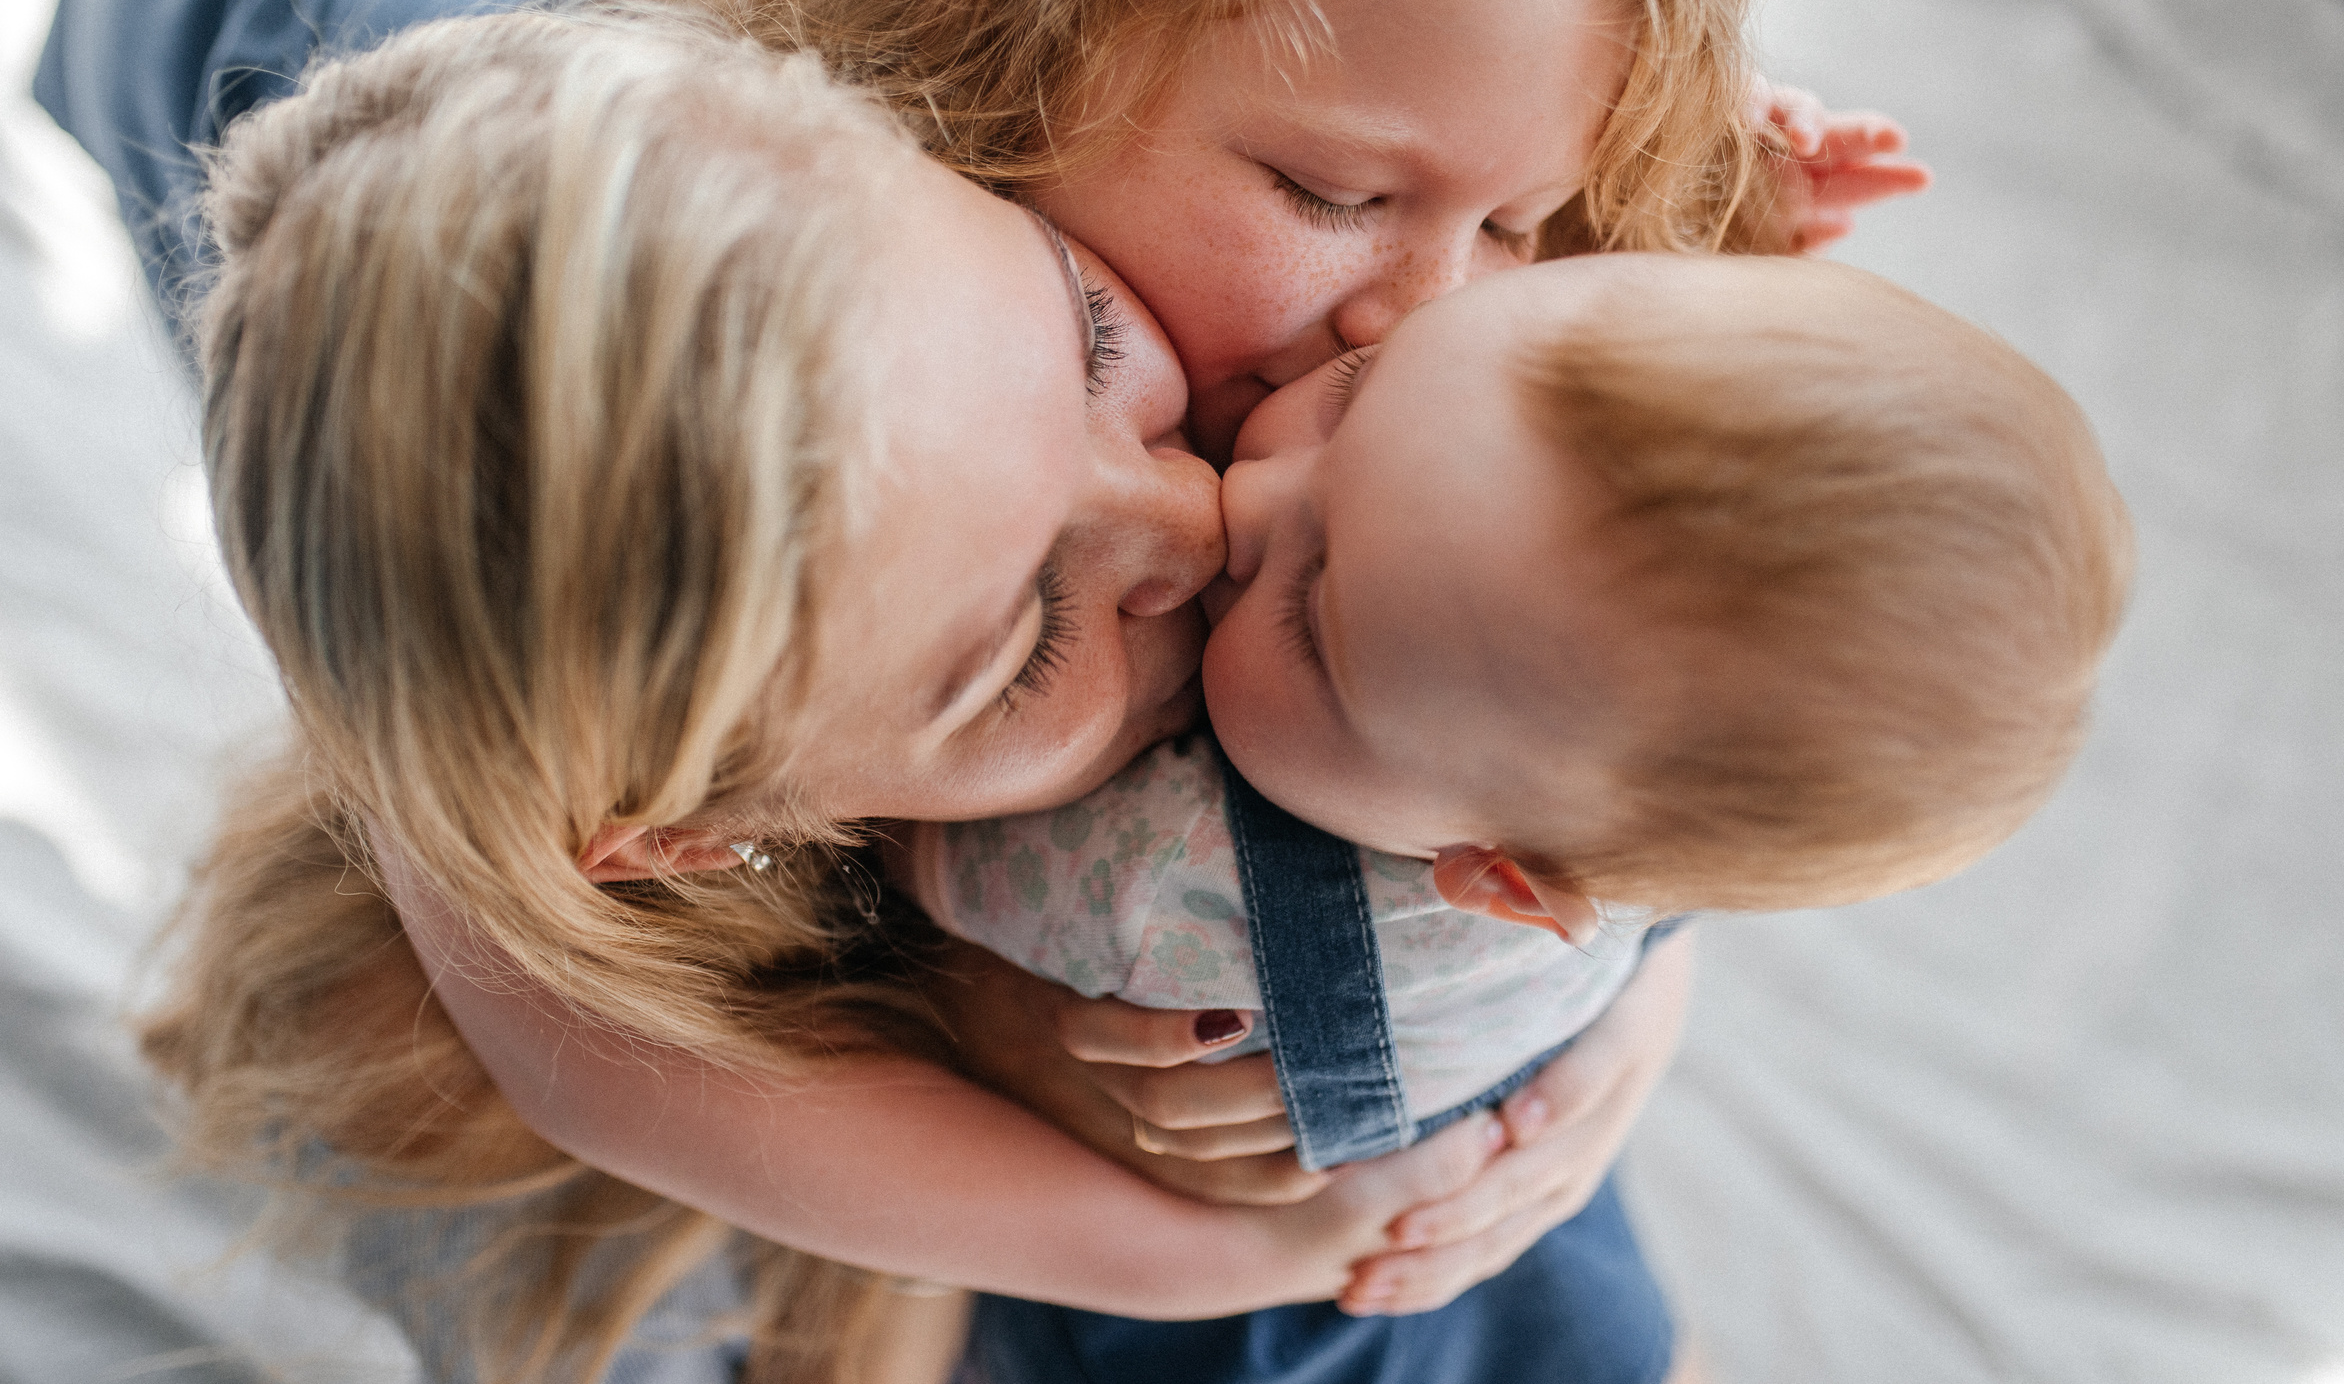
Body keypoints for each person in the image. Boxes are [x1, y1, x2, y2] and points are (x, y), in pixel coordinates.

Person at [41, 0, 1932, 1376]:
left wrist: (1606, 1033)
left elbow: (1616, 683)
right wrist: (1201, 1248)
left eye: (1533, 214)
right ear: (1000, 26)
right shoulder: (609, 426)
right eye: (1329, 188)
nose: (1442, 313)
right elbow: (573, 1015)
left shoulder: (1341, 253)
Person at [897, 252, 2132, 1375]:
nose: (1250, 494)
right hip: (1558, 1284)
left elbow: (894, 844)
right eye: (1354, 393)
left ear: (1499, 881)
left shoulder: (1174, 873)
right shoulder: (1623, 773)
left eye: (1313, 612)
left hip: (1288, 1338)